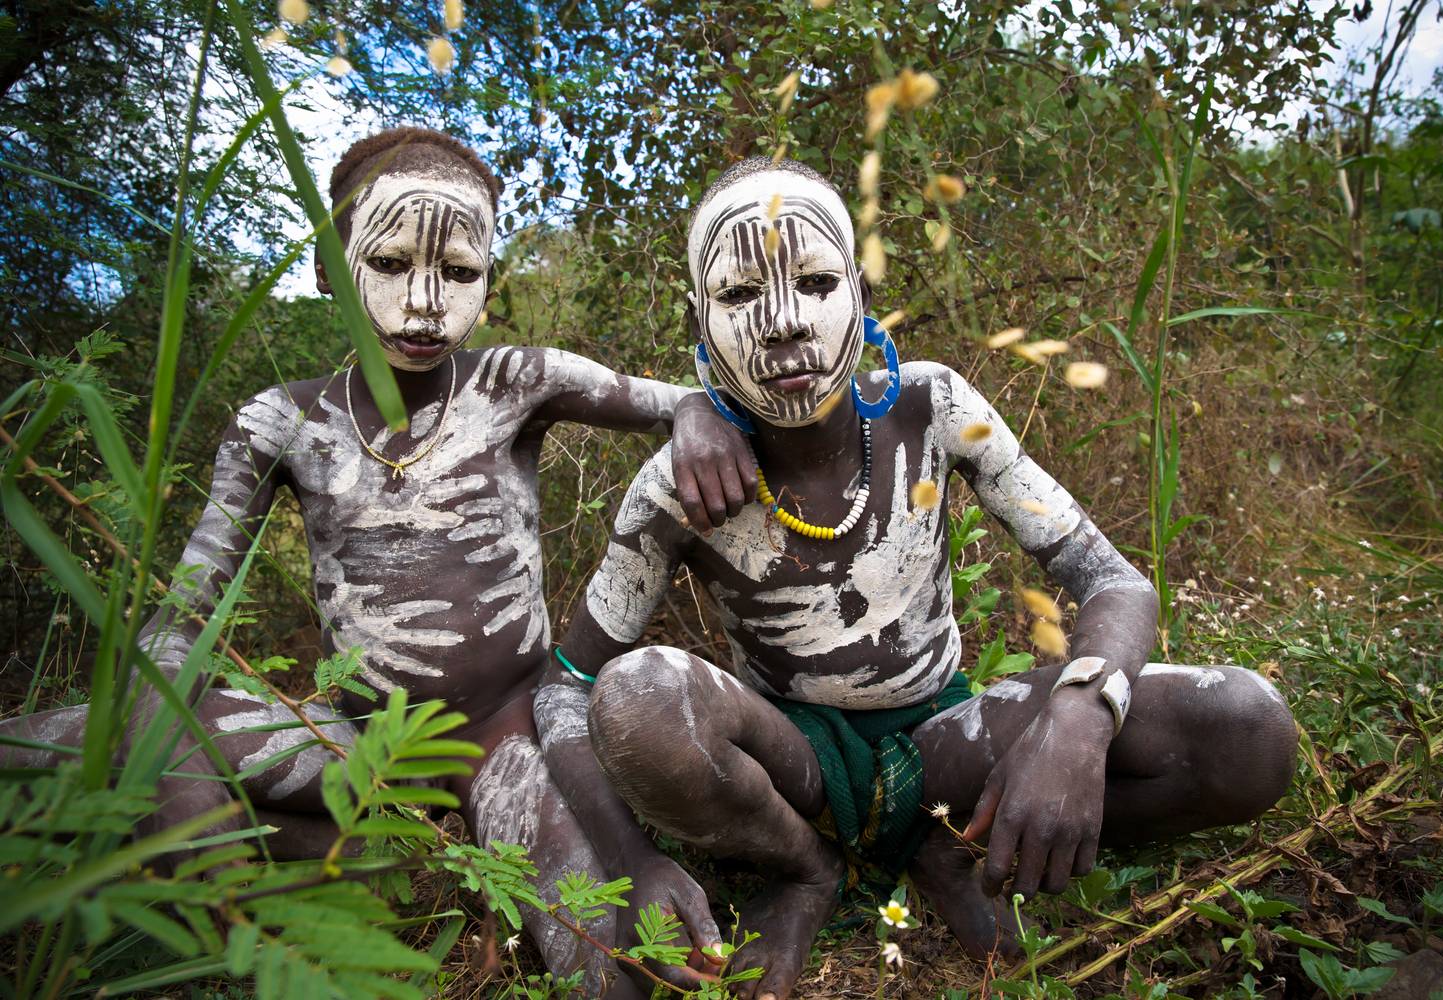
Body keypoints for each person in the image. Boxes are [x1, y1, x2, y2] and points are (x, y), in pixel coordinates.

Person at [0, 127, 756, 997]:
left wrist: (697, 413)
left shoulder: (517, 382)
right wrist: (167, 752)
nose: (426, 305)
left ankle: (372, 854)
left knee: (611, 955)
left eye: (460, 273)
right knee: (66, 742)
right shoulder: (283, 422)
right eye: (390, 263)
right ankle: (321, 853)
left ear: (488, 278)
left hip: (507, 741)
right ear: (330, 267)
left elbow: (685, 399)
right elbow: (183, 619)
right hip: (355, 743)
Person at [535, 156, 1300, 1000]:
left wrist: (1081, 716)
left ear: (861, 295)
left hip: (949, 744)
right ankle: (805, 872)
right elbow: (565, 688)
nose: (784, 322)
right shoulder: (676, 489)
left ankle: (950, 840)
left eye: (818, 280)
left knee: (1248, 731)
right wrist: (631, 857)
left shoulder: (932, 408)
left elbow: (1114, 580)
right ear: (699, 319)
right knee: (635, 697)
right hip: (797, 770)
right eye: (742, 294)